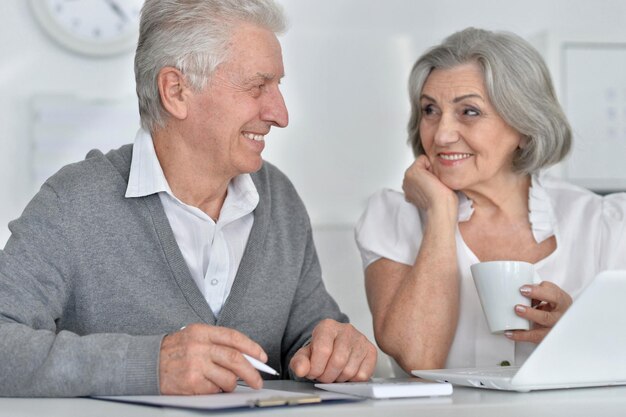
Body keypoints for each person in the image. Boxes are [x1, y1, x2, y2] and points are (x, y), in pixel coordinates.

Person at [0, 0, 376, 397]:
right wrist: (149, 365)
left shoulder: (279, 199)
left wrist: (335, 349)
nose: (280, 114)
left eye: (277, 86)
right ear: (176, 91)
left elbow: (311, 334)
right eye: (257, 86)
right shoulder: (73, 203)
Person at [355, 27, 626, 374]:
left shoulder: (605, 224)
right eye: (430, 110)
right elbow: (418, 358)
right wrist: (440, 212)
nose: (442, 134)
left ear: (525, 127)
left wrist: (577, 332)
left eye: (469, 111)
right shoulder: (394, 217)